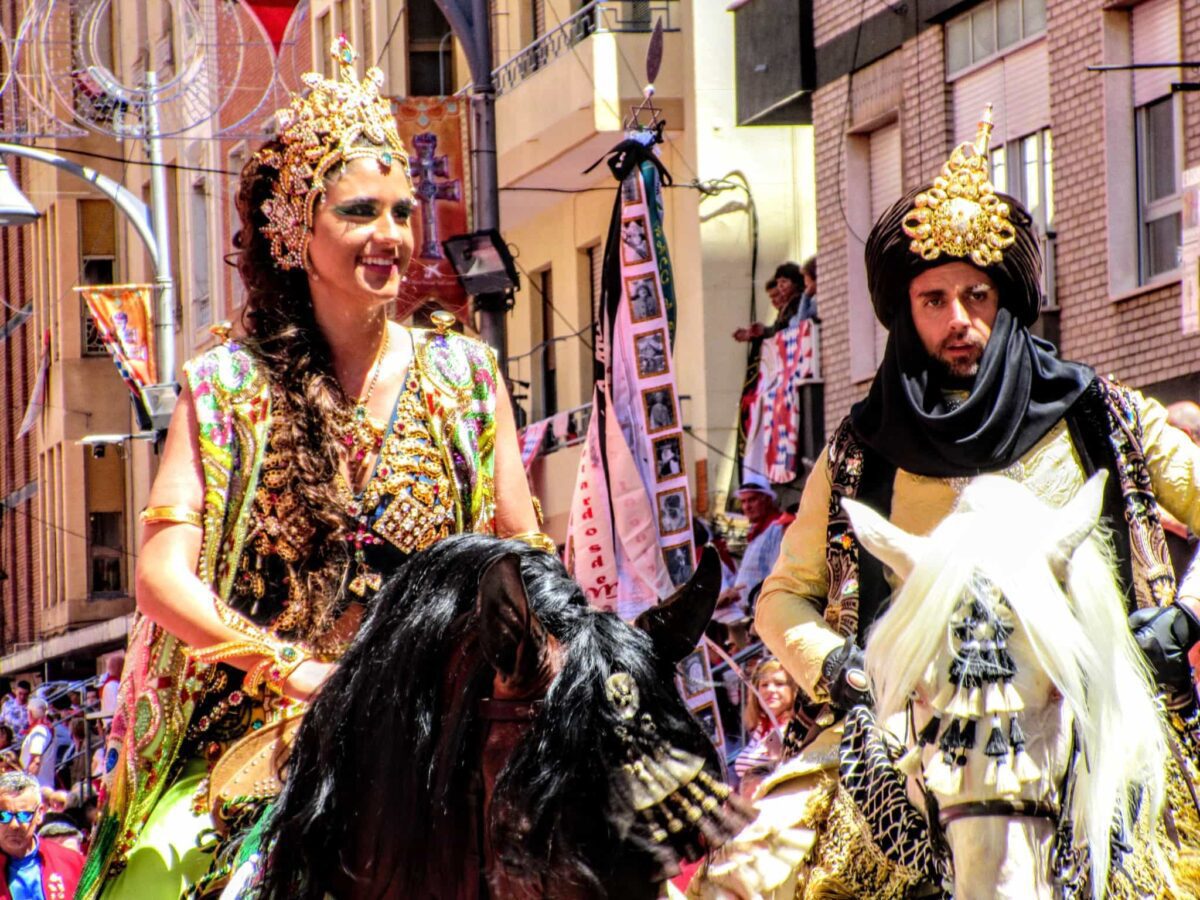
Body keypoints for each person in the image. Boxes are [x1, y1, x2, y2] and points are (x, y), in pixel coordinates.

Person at [79, 38, 546, 900]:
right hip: (262, 733)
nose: (392, 236)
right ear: (296, 227)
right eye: (362, 211)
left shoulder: (468, 376)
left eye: (404, 212)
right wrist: (291, 668)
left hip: (444, 728)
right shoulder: (226, 387)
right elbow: (157, 577)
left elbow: (525, 551)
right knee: (146, 883)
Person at [756, 112, 1200, 763]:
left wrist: (1183, 618)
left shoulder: (1101, 415)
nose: (958, 319)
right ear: (905, 313)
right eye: (933, 299)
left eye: (977, 294)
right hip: (905, 747)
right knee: (763, 861)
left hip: (1102, 734)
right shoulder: (859, 450)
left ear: (1007, 300)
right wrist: (836, 668)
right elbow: (783, 598)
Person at [715, 476, 792, 626]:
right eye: (743, 502)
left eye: (752, 500)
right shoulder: (757, 532)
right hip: (748, 613)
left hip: (763, 614)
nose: (746, 507)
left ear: (767, 500)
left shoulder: (777, 528)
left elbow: (776, 573)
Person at [0, 772, 83, 900]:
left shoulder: (72, 863)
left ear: (40, 813)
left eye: (24, 815)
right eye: (4, 816)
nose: (14, 825)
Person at [733, 658, 796, 799]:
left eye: (779, 684)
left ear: (794, 689)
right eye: (764, 685)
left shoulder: (795, 728)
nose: (770, 690)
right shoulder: (762, 728)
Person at [732, 260, 816, 343]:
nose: (780, 286)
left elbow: (791, 326)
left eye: (784, 281)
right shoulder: (787, 306)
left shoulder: (798, 301)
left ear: (795, 282)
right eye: (778, 282)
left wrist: (764, 331)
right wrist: (758, 332)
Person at [18, 702, 53, 792]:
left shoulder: (40, 731)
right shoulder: (42, 729)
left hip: (37, 787)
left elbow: (35, 760)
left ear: (30, 713)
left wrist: (26, 785)